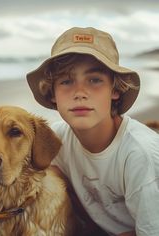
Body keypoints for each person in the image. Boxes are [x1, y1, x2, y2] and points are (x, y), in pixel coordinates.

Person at [26, 27, 159, 236]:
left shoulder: (138, 154)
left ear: (115, 89)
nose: (79, 93)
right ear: (53, 93)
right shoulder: (55, 138)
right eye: (66, 81)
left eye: (94, 80)